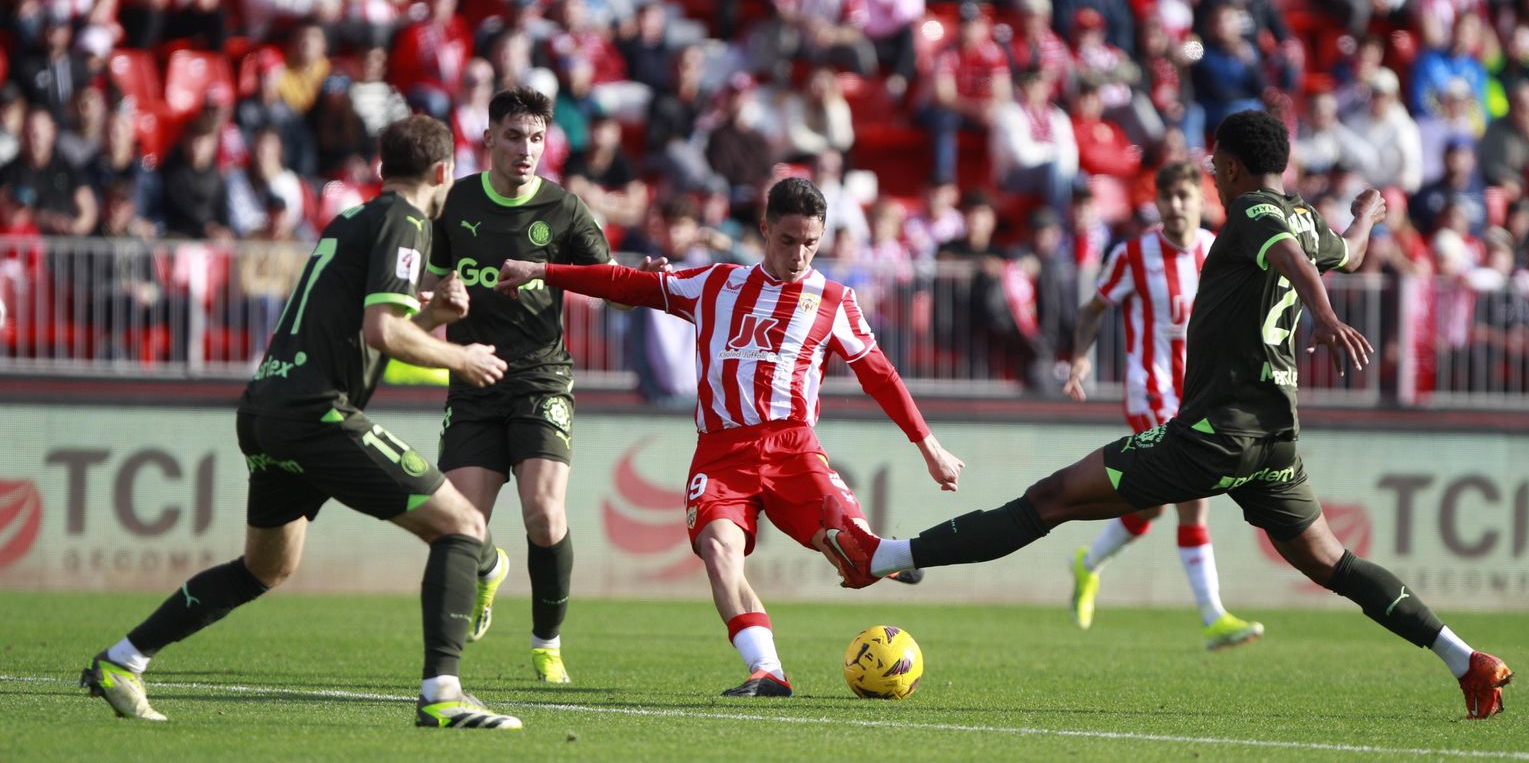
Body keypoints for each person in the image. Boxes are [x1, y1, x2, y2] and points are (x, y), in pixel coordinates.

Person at [821, 110, 1515, 720]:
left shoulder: (1255, 215)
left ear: (1237, 166)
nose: (1213, 174)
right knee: (1333, 562)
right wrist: (1366, 213)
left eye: (1216, 163)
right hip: (1275, 444)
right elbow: (1348, 251)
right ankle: (1465, 660)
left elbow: (1287, 257)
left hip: (1215, 434)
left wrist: (1326, 315)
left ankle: (882, 556)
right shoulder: (1304, 214)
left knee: (1052, 498)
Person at [81, 115, 523, 728]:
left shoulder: (351, 219)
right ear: (445, 173)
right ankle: (443, 693)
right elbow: (382, 332)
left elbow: (368, 338)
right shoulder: (408, 220)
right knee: (463, 525)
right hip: (316, 412)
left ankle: (122, 661)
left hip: (267, 407)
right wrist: (462, 354)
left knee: (265, 568)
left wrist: (432, 318)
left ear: (379, 167)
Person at [493, 177, 967, 697]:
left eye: (811, 242)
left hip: (793, 448)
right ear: (764, 229)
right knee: (720, 551)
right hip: (720, 454)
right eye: (788, 240)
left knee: (858, 553)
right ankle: (767, 670)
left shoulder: (835, 299)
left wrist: (929, 446)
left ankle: (890, 559)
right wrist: (541, 270)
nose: (799, 253)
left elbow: (879, 374)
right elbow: (627, 283)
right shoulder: (715, 284)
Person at [422, 88, 641, 684]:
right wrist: (439, 303)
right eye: (515, 136)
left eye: (537, 138)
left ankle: (547, 644)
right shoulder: (457, 201)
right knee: (458, 525)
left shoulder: (564, 210)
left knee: (544, 514)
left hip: (541, 375)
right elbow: (433, 284)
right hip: (471, 376)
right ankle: (489, 568)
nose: (526, 150)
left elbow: (611, 286)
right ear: (489, 138)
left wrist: (553, 271)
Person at [1061, 161, 1264, 650]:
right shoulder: (1133, 255)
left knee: (1148, 507)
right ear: (1156, 202)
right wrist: (1079, 360)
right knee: (1192, 500)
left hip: (1203, 393)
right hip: (1150, 392)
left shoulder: (1217, 250)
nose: (1175, 206)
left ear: (1201, 201)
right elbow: (1093, 310)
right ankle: (1214, 616)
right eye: (1167, 197)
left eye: (1184, 196)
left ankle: (1087, 564)